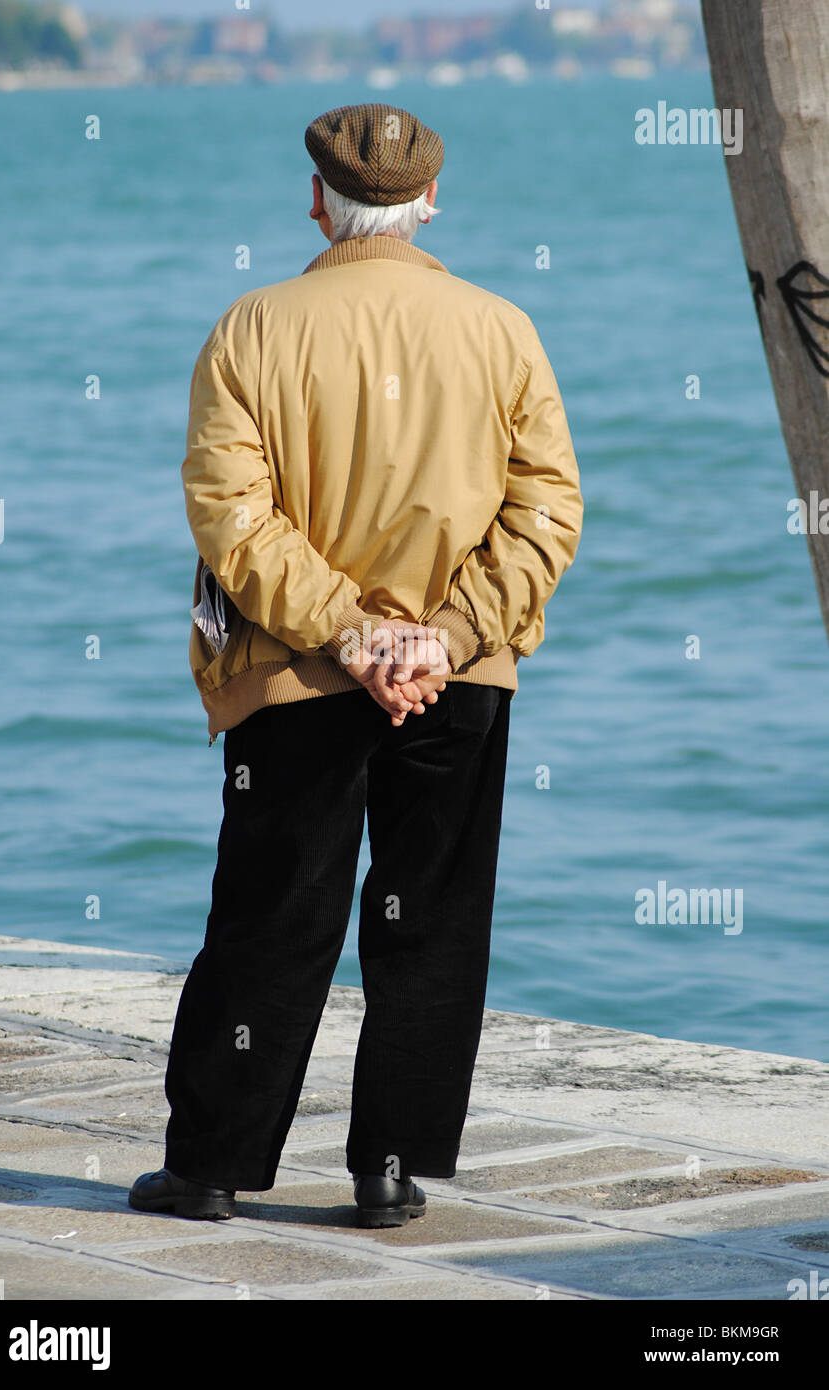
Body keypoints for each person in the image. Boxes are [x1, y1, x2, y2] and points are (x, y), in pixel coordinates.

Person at [130, 103, 583, 1229]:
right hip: (457, 676)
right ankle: (389, 1169)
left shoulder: (254, 327)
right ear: (429, 203)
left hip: (297, 679)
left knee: (272, 915)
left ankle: (212, 1167)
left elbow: (232, 514)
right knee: (428, 920)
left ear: (319, 202)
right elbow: (548, 508)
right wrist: (439, 634)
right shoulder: (503, 329)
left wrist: (350, 631)